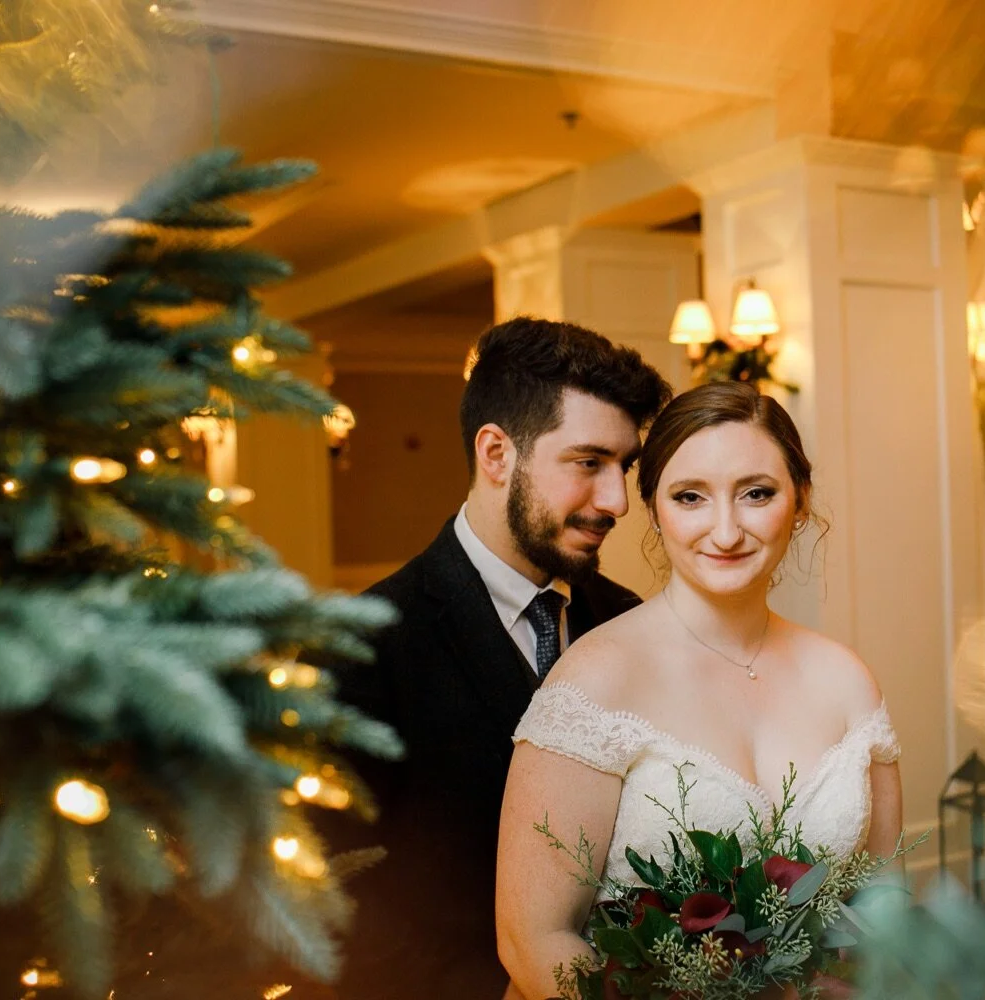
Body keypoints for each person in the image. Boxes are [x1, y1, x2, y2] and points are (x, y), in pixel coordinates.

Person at [495, 380, 904, 1000]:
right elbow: (533, 938)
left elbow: (882, 908)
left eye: (756, 494)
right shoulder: (597, 678)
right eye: (690, 497)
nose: (726, 529)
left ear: (800, 501)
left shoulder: (846, 679)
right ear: (655, 510)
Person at [329, 316, 671, 1000]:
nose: (618, 502)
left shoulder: (632, 621)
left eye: (625, 467)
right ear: (496, 454)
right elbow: (334, 892)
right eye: (589, 462)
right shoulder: (366, 645)